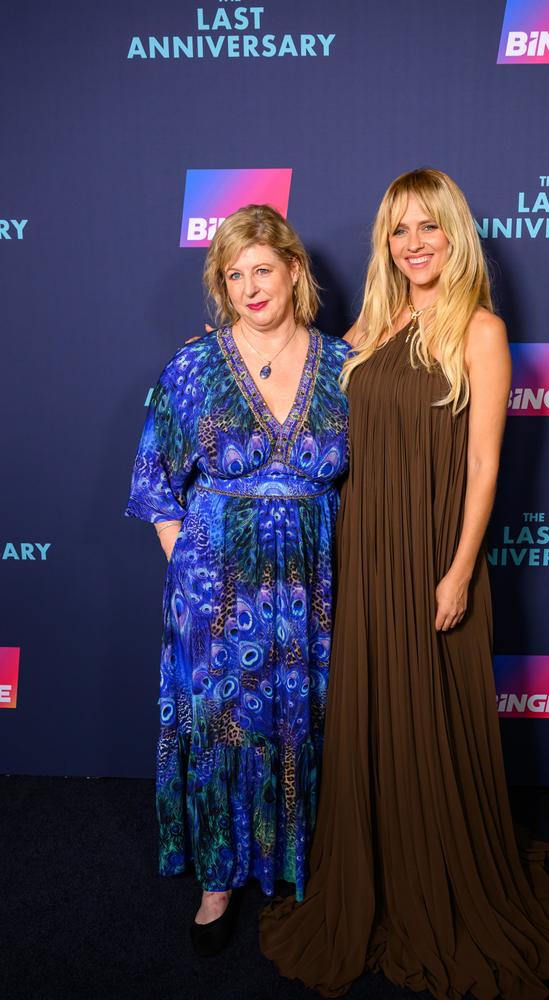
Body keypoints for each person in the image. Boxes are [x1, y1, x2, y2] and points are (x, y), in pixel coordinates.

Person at [259, 169, 549, 997]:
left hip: (434, 551)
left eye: (428, 226)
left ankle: (441, 877)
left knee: (431, 715)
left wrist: (460, 569)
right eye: (399, 230)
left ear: (455, 234)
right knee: (370, 715)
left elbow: (484, 464)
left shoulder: (480, 329)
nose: (414, 243)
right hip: (365, 546)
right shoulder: (373, 321)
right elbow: (311, 395)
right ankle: (378, 875)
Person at [125, 204, 350, 955]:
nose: (252, 287)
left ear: (293, 270)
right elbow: (155, 480)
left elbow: (374, 484)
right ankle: (218, 879)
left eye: (263, 269)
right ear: (222, 285)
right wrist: (191, 571)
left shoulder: (347, 365)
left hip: (313, 591)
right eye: (234, 274)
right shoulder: (194, 366)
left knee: (302, 720)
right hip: (214, 589)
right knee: (225, 727)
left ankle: (299, 859)